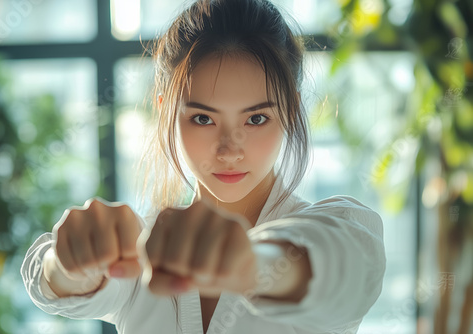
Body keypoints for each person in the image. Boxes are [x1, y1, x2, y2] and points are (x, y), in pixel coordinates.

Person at [21, 0, 386, 333]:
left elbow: (340, 269)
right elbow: (47, 282)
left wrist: (248, 261)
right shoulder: (139, 250)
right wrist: (70, 258)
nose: (229, 150)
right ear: (165, 110)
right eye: (202, 119)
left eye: (256, 119)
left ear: (291, 109)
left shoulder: (342, 230)